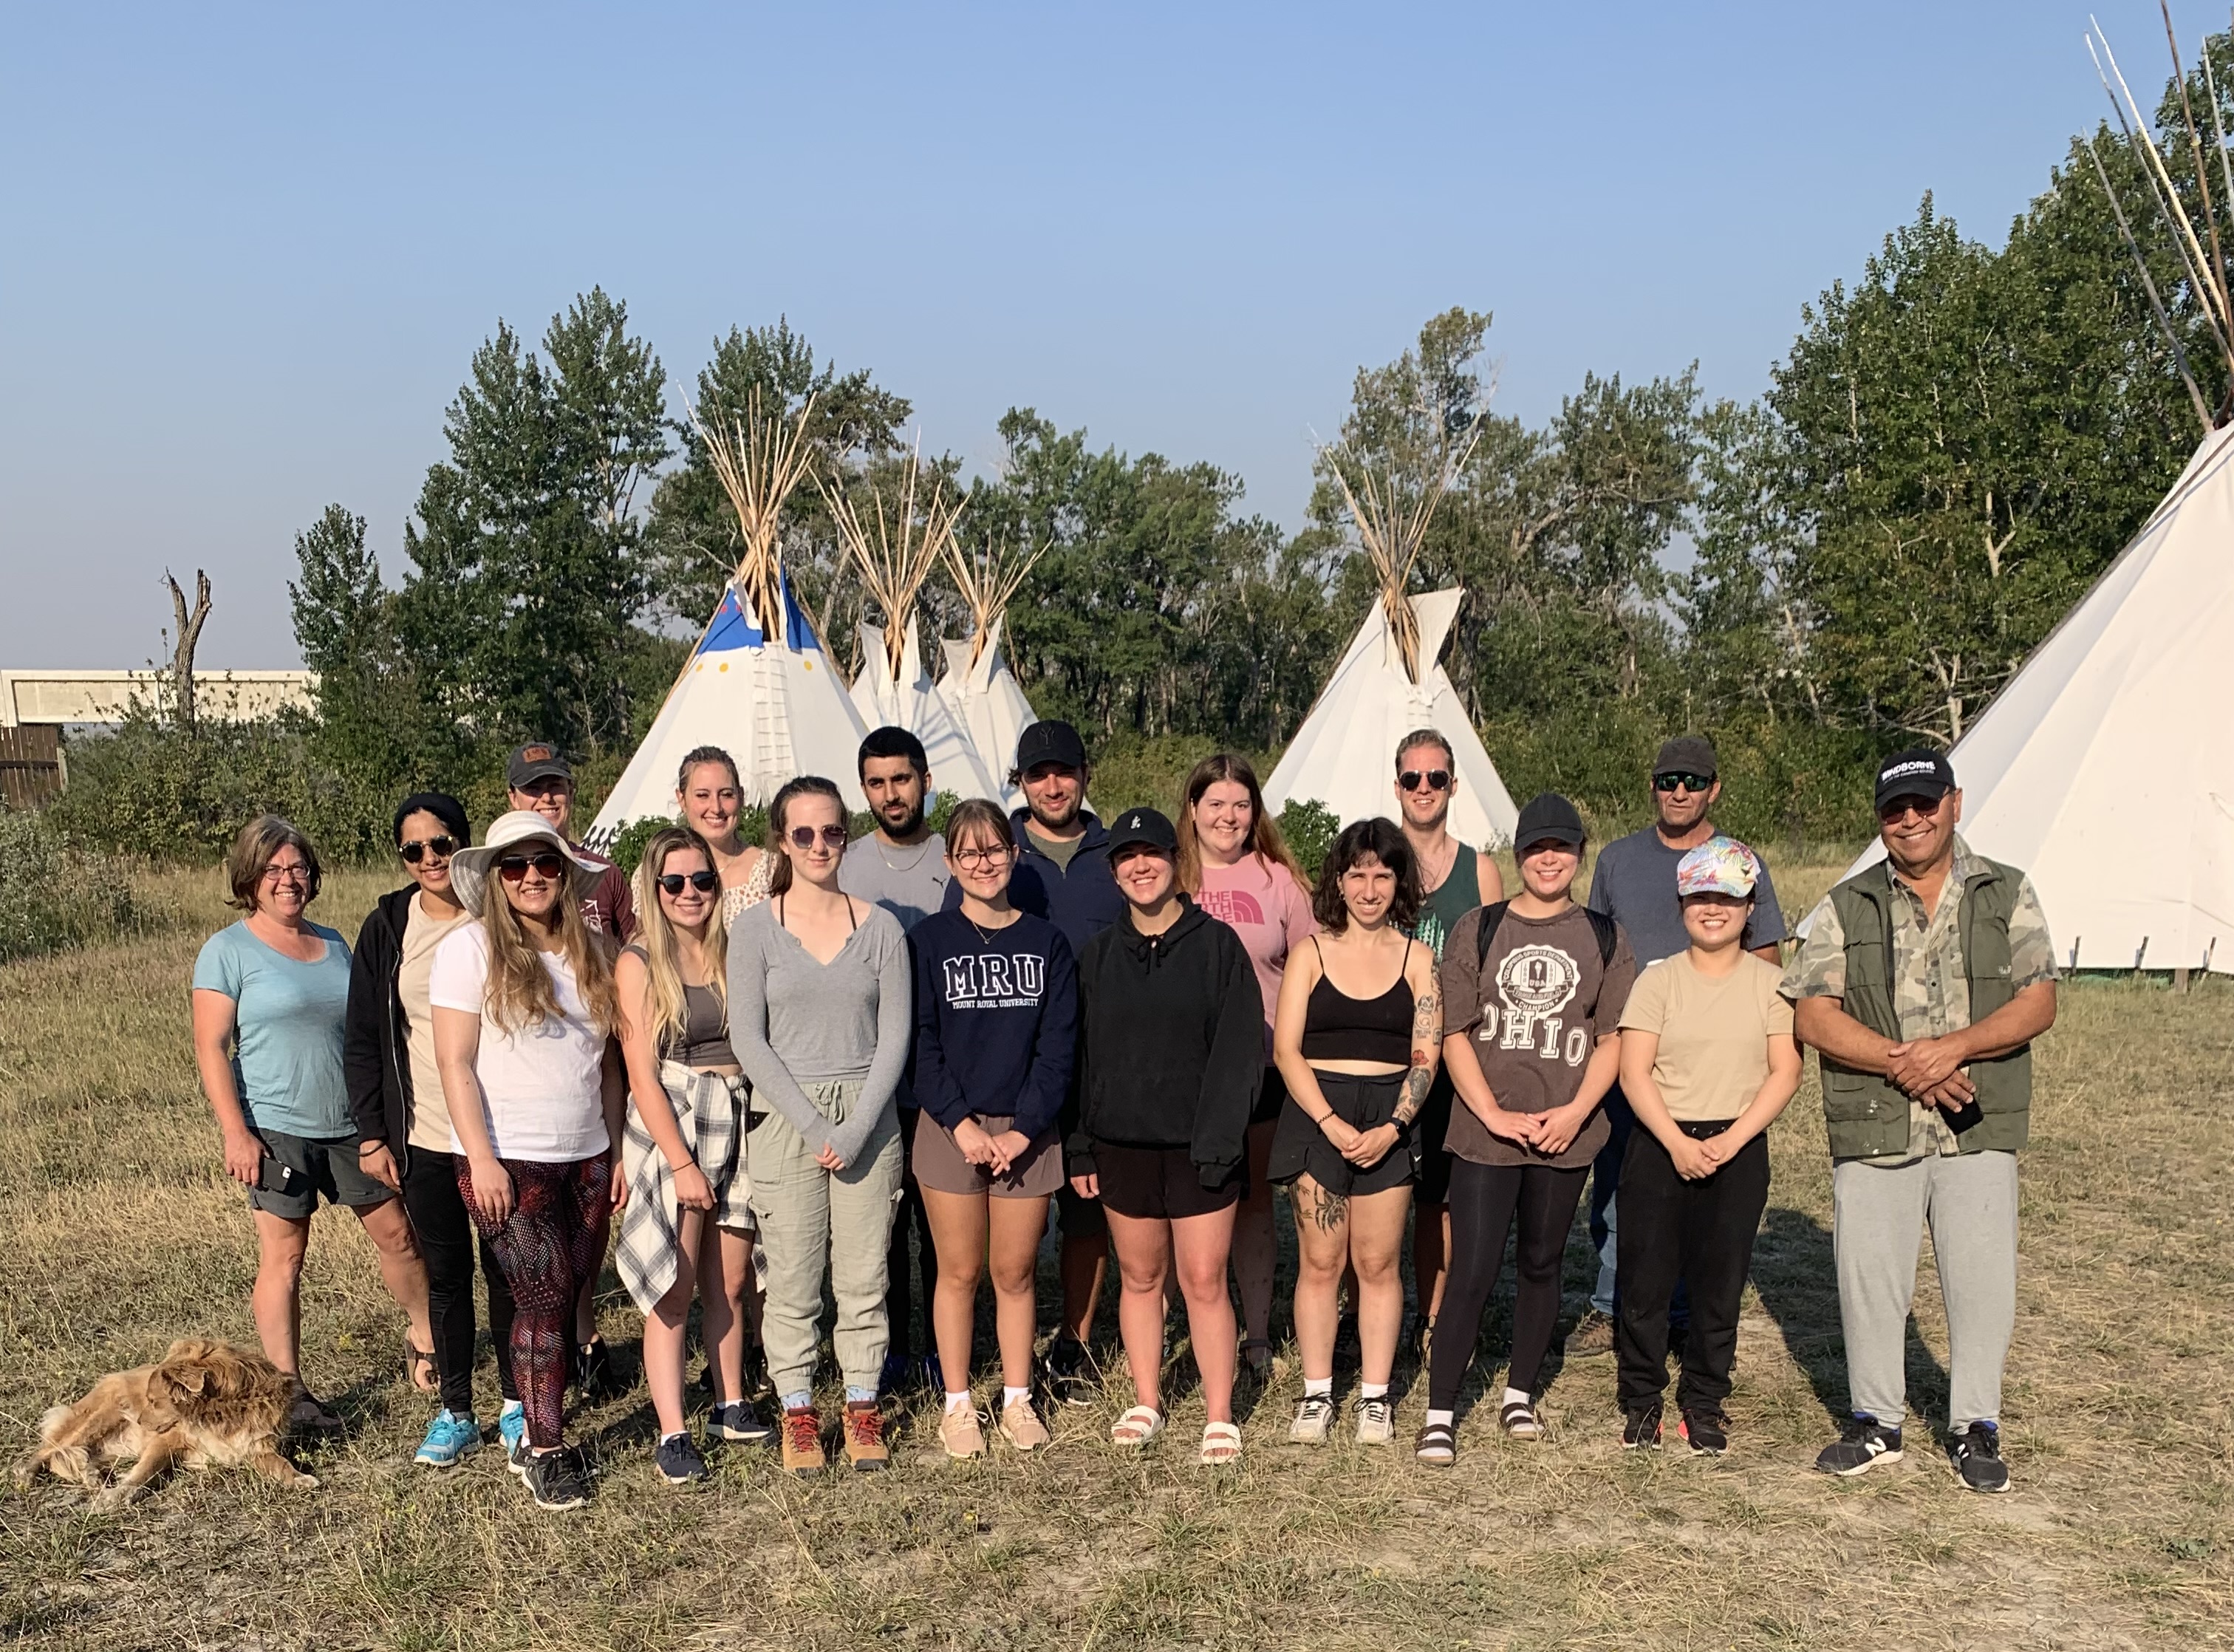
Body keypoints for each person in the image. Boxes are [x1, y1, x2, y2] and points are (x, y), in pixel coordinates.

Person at [1783, 749, 2057, 1494]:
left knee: (1981, 1279)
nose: (1910, 820)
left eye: (1924, 804)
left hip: (1977, 1119)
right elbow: (1813, 1014)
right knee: (1869, 1277)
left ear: (1955, 803)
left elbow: (2039, 999)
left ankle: (1977, 1426)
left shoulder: (2007, 892)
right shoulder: (1846, 903)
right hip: (1875, 1121)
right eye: (1894, 810)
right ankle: (1877, 1421)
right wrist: (1904, 1062)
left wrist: (1953, 1049)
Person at [194, 811, 436, 1437]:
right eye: (273, 869)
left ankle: (426, 1337)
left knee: (398, 1235)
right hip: (275, 1126)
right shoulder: (227, 951)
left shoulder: (333, 942)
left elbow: (364, 1031)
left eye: (298, 867)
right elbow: (211, 1047)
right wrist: (235, 1131)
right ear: (250, 879)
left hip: (352, 1121)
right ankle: (289, 1390)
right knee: (285, 1258)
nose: (288, 880)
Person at [1417, 793, 1636, 1466]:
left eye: (1562, 848)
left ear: (1578, 853)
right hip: (1487, 1131)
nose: (1549, 859)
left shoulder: (1604, 935)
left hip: (1565, 1131)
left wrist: (1574, 1114)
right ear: (1520, 854)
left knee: (1542, 1264)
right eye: (1538, 848)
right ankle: (1441, 1406)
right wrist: (1491, 1113)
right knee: (1474, 1269)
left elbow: (1614, 1038)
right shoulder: (1479, 929)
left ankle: (1518, 1392)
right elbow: (1453, 1033)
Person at [433, 812, 627, 1512]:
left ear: (565, 870)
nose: (532, 877)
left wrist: (617, 1152)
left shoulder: (595, 951)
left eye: (544, 863)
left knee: (571, 1287)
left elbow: (607, 1068)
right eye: (514, 867)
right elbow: (454, 1063)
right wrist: (480, 1158)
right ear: (495, 878)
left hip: (586, 1154)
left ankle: (538, 1422)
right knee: (542, 1297)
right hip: (507, 1158)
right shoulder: (471, 948)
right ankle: (544, 1448)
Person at [1571, 734, 1789, 1358]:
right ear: (1653, 787)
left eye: (1693, 781)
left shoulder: (1742, 861)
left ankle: (1692, 1310)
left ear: (1714, 788)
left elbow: (1767, 955)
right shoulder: (1617, 861)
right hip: (1633, 1049)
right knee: (1620, 1184)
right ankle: (1614, 1304)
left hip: (1715, 1056)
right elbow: (1598, 951)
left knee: (1711, 1194)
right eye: (1668, 781)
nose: (1679, 792)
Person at [728, 776, 912, 1476]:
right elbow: (750, 1038)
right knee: (796, 1277)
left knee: (865, 1275)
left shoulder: (883, 928)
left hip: (869, 1116)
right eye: (802, 833)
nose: (818, 846)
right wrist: (810, 1122)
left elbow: (894, 1036)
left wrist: (859, 1124)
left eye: (831, 831)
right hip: (786, 1119)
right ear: (782, 840)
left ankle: (862, 1405)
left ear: (846, 834)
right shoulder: (755, 931)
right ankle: (798, 1410)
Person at [1068, 808, 1262, 1464]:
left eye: (1151, 853)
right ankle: (1147, 1398)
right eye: (1127, 856)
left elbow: (1238, 1056)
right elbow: (1082, 1058)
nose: (1140, 865)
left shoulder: (1218, 948)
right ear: (1114, 869)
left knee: (1204, 1278)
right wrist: (1081, 1143)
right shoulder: (1096, 956)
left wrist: (1220, 1141)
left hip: (1200, 1147)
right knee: (1140, 1276)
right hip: (1122, 1144)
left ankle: (1218, 1412)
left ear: (1177, 862)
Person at [345, 793, 526, 1470]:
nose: (429, 860)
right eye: (413, 850)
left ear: (464, 844)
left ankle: (515, 1404)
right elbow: (363, 1036)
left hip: (503, 1134)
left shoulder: (499, 914)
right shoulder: (390, 925)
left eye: (441, 845)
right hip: (423, 1130)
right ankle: (456, 1411)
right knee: (445, 1276)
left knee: (507, 1270)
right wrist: (372, 1134)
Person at [946, 718, 1124, 1405]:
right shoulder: (997, 849)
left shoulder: (1117, 852)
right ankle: (972, 1343)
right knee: (991, 1228)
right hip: (1011, 1068)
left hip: (1096, 1059)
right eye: (1038, 774)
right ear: (1019, 781)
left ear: (1085, 774)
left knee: (1088, 1208)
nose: (1053, 785)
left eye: (1065, 771)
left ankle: (1073, 1343)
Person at [1613, 836, 1801, 1453]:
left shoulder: (1774, 984)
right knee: (1645, 1282)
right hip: (1660, 1143)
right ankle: (1642, 1400)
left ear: (1751, 907)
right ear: (1682, 904)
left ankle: (1705, 1401)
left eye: (1727, 897)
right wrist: (1675, 1141)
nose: (1712, 909)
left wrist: (1732, 1139)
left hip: (1738, 1145)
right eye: (1700, 897)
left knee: (1720, 1285)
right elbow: (1633, 1071)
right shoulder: (1657, 981)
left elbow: (1785, 1071)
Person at [908, 799, 1076, 1456]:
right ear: (950, 862)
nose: (984, 863)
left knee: (1015, 1272)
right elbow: (921, 1044)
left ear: (1015, 855)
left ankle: (1016, 1398)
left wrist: (1022, 1130)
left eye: (996, 850)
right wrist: (963, 1125)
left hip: (1026, 1131)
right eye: (970, 853)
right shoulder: (929, 941)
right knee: (958, 1271)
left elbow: (1058, 1048)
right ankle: (957, 1404)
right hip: (951, 1127)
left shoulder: (1046, 942)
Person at [1269, 819, 1441, 1445]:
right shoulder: (1310, 952)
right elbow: (1288, 1051)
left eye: (1382, 874)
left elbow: (1426, 1055)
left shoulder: (1418, 959)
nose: (1369, 888)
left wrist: (1395, 1126)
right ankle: (1317, 1394)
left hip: (1392, 1122)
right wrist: (1330, 1121)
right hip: (1319, 1114)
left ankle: (1375, 1397)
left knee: (1377, 1262)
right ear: (1338, 881)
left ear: (1399, 883)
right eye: (1357, 874)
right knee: (1320, 1261)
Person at [614, 825, 771, 1486]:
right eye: (674, 882)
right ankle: (672, 1430)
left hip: (736, 1112)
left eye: (702, 880)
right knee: (673, 1289)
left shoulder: (733, 950)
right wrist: (679, 1163)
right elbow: (640, 1074)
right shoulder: (639, 961)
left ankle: (730, 1401)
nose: (690, 893)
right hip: (677, 1119)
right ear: (654, 888)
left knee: (731, 1278)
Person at [1176, 752, 1317, 1384]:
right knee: (1183, 1206)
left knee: (1255, 1204)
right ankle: (1187, 1326)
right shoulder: (1173, 875)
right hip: (1183, 1074)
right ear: (1193, 810)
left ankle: (1257, 1332)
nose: (1228, 817)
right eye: (1216, 805)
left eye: (1241, 805)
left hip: (1261, 1070)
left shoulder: (1278, 880)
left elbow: (1311, 969)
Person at [505, 740, 633, 1398]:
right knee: (540, 1251)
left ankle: (584, 1333)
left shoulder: (603, 875)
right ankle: (557, 1356)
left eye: (556, 787)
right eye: (534, 789)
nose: (547, 798)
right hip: (527, 1080)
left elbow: (633, 954)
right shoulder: (507, 877)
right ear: (513, 800)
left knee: (588, 1229)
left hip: (597, 1057)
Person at [1389, 728, 1506, 1362]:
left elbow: (1494, 962)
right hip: (1387, 1054)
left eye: (1436, 778)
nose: (1425, 789)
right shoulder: (1379, 858)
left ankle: (1435, 1316)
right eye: (1413, 779)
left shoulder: (1479, 869)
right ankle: (1370, 1309)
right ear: (1398, 787)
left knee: (1441, 1197)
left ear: (1454, 785)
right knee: (1379, 1197)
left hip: (1456, 1052)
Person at [840, 726, 949, 1396]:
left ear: (925, 780)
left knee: (939, 1225)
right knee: (878, 1225)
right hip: (868, 1074)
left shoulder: (957, 857)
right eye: (877, 783)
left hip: (940, 1072)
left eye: (902, 779)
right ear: (864, 791)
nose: (891, 794)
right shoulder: (843, 861)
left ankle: (942, 1345)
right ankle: (887, 1348)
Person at [674, 745, 772, 926]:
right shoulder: (660, 873)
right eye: (703, 795)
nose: (716, 808)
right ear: (682, 799)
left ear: (741, 797)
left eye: (726, 795)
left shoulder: (770, 873)